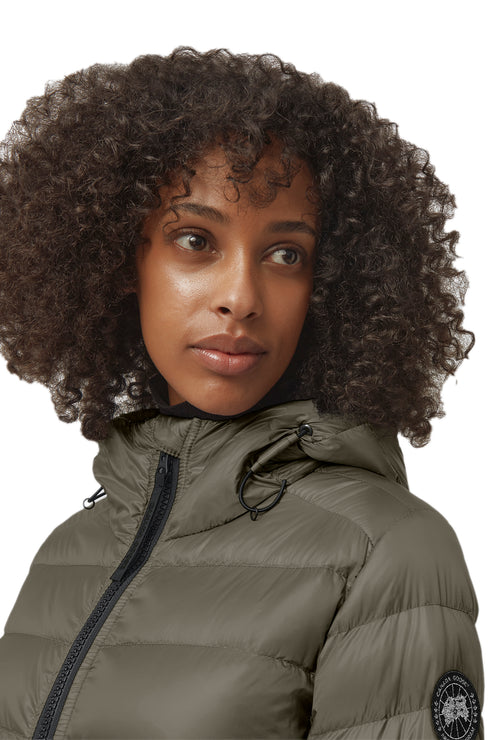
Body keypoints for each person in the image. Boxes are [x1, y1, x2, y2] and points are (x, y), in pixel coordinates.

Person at [0, 47, 483, 740]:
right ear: (120, 259)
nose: (241, 297)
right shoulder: (68, 552)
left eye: (286, 254)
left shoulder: (387, 550)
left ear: (330, 285)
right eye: (195, 240)